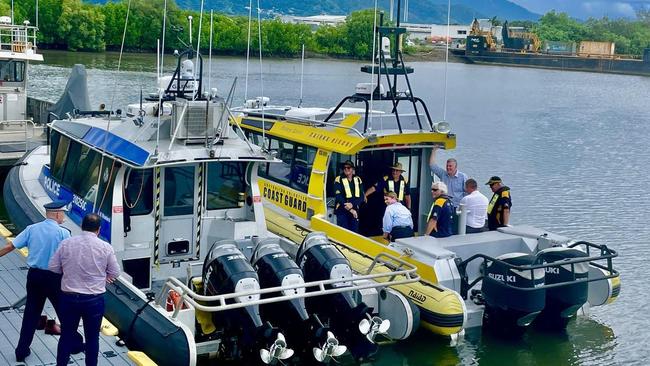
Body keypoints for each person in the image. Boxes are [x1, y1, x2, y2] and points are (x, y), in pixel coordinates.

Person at [0, 200, 80, 362]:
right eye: (63, 213)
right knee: (64, 313)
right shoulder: (64, 233)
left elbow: (10, 247)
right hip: (54, 279)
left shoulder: (31, 229)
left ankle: (21, 351)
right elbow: (70, 259)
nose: (63, 216)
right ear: (58, 214)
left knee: (31, 313)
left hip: (34, 276)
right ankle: (74, 345)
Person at [49, 213, 120, 366]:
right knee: (92, 338)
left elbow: (53, 267)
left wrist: (69, 272)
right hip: (94, 300)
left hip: (69, 298)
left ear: (82, 226)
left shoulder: (66, 243)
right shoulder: (105, 247)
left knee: (66, 336)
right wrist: (104, 278)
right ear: (98, 229)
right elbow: (115, 272)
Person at [333, 160, 364, 233]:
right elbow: (338, 196)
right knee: (343, 233)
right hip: (342, 210)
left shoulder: (358, 179)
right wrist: (349, 208)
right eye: (345, 168)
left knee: (354, 232)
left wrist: (352, 205)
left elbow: (362, 196)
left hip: (355, 210)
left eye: (348, 167)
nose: (346, 169)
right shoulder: (339, 179)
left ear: (353, 169)